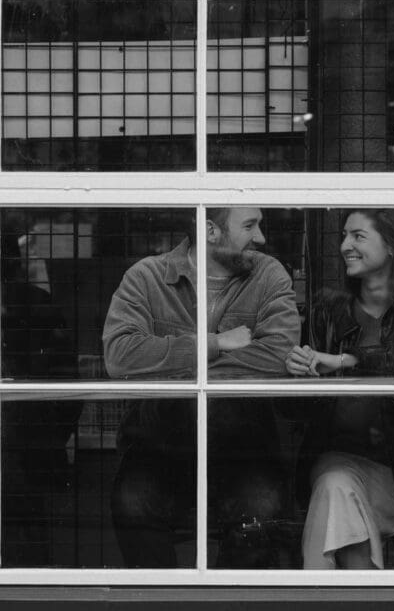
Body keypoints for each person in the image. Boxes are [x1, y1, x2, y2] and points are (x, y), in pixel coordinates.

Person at [102, 206, 301, 567]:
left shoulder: (269, 274)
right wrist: (215, 344)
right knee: (131, 503)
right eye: (250, 226)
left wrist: (171, 364)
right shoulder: (146, 277)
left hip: (245, 446)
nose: (261, 238)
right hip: (159, 443)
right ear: (211, 231)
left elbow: (278, 355)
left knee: (262, 510)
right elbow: (120, 357)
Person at [286, 209, 394, 570]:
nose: (345, 246)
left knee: (335, 499)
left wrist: (345, 360)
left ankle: (335, 607)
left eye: (358, 236)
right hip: (331, 459)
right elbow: (297, 408)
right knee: (334, 484)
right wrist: (297, 369)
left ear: (392, 244)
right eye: (344, 236)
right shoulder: (327, 309)